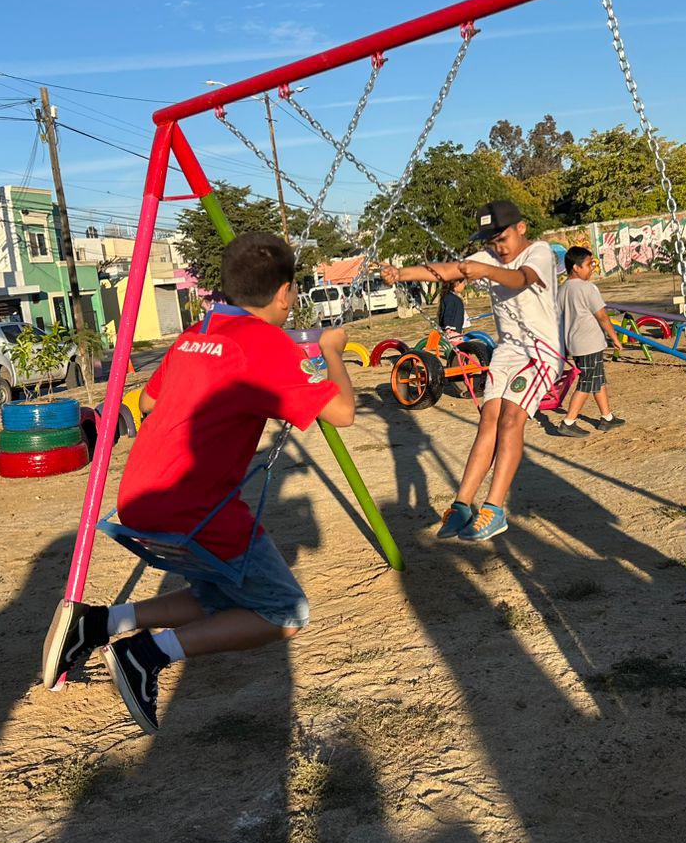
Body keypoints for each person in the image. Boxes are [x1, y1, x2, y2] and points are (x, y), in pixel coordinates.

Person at [40, 232, 356, 734]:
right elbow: (342, 413)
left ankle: (101, 622)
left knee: (221, 594)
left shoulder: (196, 334)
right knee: (285, 611)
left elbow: (146, 404)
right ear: (285, 292)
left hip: (141, 500)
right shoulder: (267, 346)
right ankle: (148, 653)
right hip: (196, 509)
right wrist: (331, 350)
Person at [382, 199, 560, 542]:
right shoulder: (488, 259)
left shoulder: (538, 252)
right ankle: (463, 504)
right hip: (507, 351)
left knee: (511, 419)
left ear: (521, 228)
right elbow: (450, 270)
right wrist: (400, 273)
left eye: (503, 238)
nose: (498, 247)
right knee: (489, 421)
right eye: (491, 243)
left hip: (540, 351)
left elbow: (523, 279)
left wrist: (487, 271)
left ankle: (494, 509)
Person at [550, 246, 625, 437]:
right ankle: (568, 422)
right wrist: (615, 338)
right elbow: (602, 316)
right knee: (586, 383)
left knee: (597, 379)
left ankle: (606, 417)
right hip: (589, 343)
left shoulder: (562, 289)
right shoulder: (587, 288)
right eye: (589, 264)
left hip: (576, 343)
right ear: (576, 267)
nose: (592, 268)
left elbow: (558, 319)